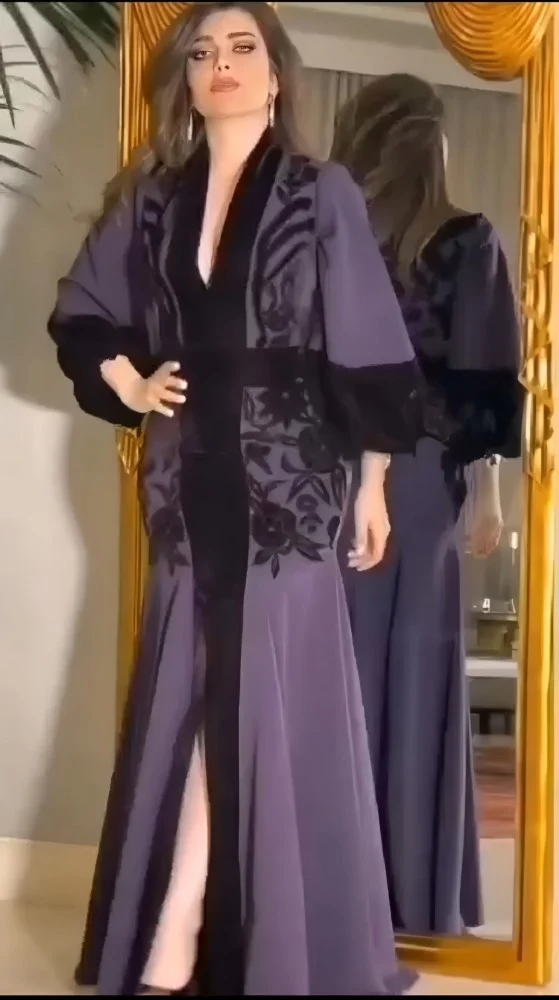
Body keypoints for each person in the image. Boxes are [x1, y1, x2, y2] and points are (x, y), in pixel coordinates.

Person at [47, 6, 423, 996]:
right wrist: (130, 385)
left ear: (276, 74)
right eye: (203, 53)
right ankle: (189, 921)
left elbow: (365, 346)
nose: (221, 65)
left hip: (288, 482)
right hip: (183, 479)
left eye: (241, 49)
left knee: (256, 697)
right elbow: (83, 314)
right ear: (185, 77)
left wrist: (373, 484)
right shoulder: (153, 199)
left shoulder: (319, 191)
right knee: (195, 691)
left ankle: (183, 923)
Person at [332, 73, 523, 938]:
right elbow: (483, 383)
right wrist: (488, 496)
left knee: (339, 668)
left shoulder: (329, 238)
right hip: (416, 476)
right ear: (432, 143)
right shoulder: (465, 241)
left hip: (323, 472)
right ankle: (410, 890)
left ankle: (330, 886)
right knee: (413, 669)